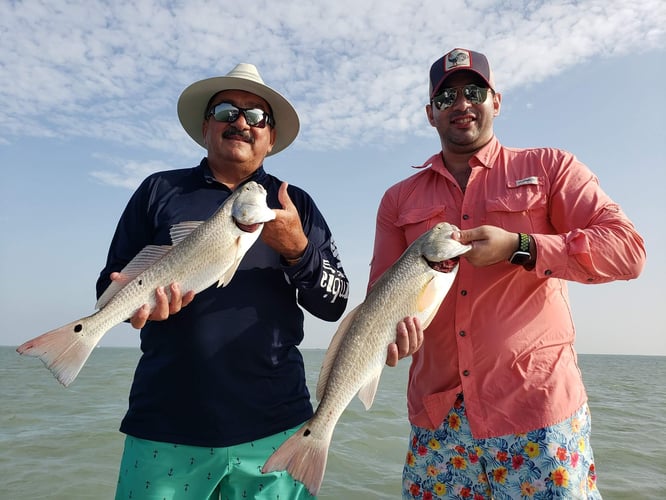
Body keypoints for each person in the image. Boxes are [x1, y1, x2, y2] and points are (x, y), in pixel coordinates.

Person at [370, 48, 646, 499]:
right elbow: (382, 292)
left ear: (496, 100)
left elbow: (628, 250)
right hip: (438, 422)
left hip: (537, 413)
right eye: (446, 98)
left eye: (473, 91)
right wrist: (393, 335)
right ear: (429, 114)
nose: (461, 104)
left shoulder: (550, 168)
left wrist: (522, 246)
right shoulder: (397, 199)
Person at [100, 63, 349, 499]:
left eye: (256, 117)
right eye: (227, 110)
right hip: (165, 425)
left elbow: (334, 301)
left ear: (271, 138)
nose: (240, 122)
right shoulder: (158, 190)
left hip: (277, 428)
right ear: (205, 125)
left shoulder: (296, 204)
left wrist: (298, 249)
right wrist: (137, 308)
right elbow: (110, 287)